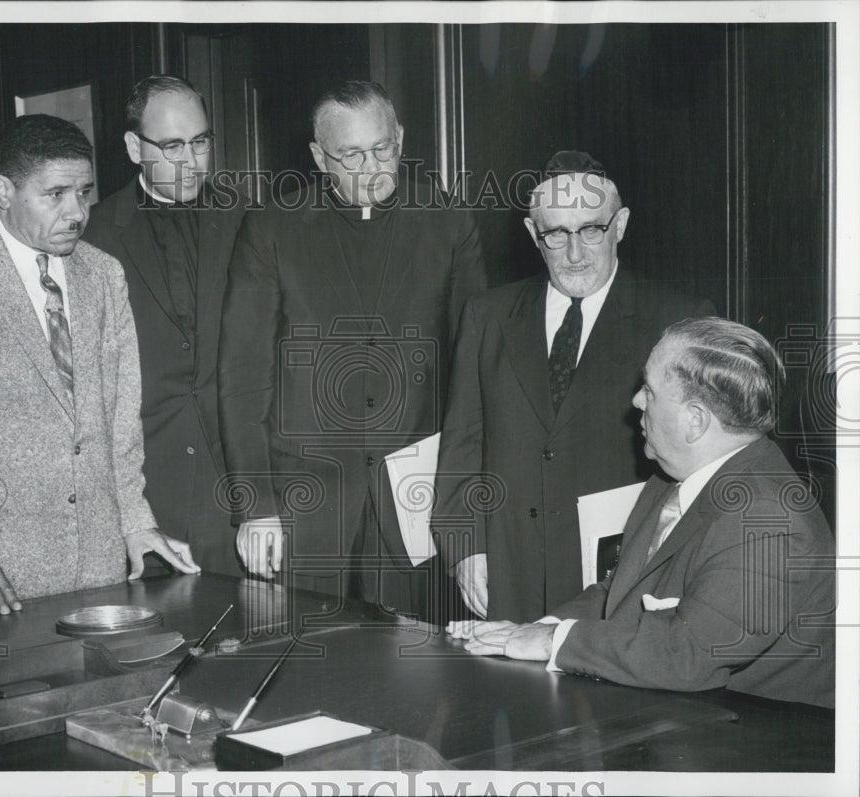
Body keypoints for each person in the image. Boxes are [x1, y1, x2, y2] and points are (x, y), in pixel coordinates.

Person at [0, 114, 199, 616]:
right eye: (55, 194)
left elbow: (120, 416)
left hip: (97, 567)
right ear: (4, 191)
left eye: (84, 192)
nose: (76, 211)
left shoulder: (102, 274)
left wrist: (135, 522)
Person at [449, 318, 835, 708]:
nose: (635, 401)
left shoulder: (771, 522)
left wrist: (554, 642)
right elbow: (620, 592)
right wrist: (534, 630)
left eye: (649, 391)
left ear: (695, 421)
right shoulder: (670, 480)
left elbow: (688, 654)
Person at [218, 80, 488, 618]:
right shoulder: (272, 229)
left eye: (383, 148)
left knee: (417, 679)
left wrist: (467, 519)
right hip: (306, 503)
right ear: (320, 158)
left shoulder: (447, 221)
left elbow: (475, 371)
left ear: (402, 138)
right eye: (352, 154)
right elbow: (244, 377)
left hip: (415, 498)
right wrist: (258, 506)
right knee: (303, 667)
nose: (373, 167)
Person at [433, 151, 715, 623]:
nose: (575, 253)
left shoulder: (677, 321)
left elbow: (704, 467)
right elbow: (462, 445)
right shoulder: (487, 315)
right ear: (532, 234)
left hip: (621, 583)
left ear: (620, 225)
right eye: (556, 234)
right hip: (507, 575)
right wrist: (465, 550)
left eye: (591, 230)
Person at [83, 75, 247, 576]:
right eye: (172, 145)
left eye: (200, 142)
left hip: (238, 491)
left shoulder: (250, 219)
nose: (191, 161)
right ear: (135, 147)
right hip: (144, 500)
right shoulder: (91, 234)